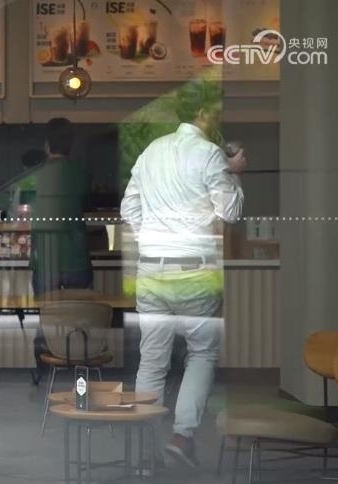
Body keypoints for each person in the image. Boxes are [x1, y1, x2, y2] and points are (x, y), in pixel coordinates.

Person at [120, 79, 245, 468]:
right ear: (203, 112)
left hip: (151, 269)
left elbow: (128, 208)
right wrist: (234, 172)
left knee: (152, 359)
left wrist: (154, 239)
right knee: (201, 353)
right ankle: (182, 436)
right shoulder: (209, 154)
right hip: (193, 272)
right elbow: (231, 212)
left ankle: (144, 451)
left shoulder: (151, 152)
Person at [29, 118, 94, 380]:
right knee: (81, 319)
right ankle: (80, 372)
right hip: (77, 257)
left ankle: (44, 374)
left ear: (47, 145)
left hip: (46, 259)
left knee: (46, 318)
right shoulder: (82, 174)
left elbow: (21, 212)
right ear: (71, 145)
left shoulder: (34, 176)